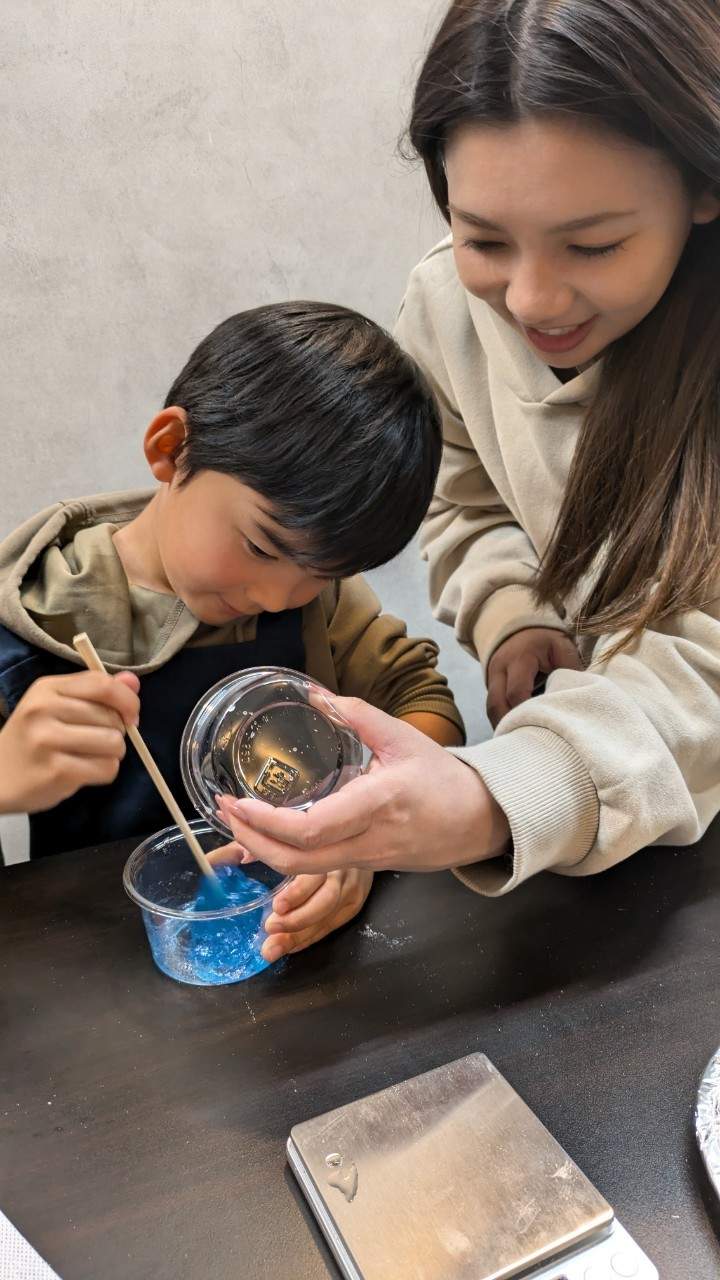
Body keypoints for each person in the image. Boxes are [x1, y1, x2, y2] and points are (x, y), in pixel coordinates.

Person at [218, 0, 720, 900]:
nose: (529, 300)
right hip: (601, 793)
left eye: (593, 244)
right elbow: (466, 499)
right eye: (483, 237)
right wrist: (515, 615)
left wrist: (493, 797)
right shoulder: (448, 305)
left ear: (705, 188)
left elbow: (707, 668)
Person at [0, 301, 464, 959]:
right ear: (171, 450)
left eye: (321, 570)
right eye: (261, 545)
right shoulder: (33, 623)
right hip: (95, 989)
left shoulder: (317, 601)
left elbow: (425, 707)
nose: (278, 595)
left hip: (294, 953)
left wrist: (358, 836)